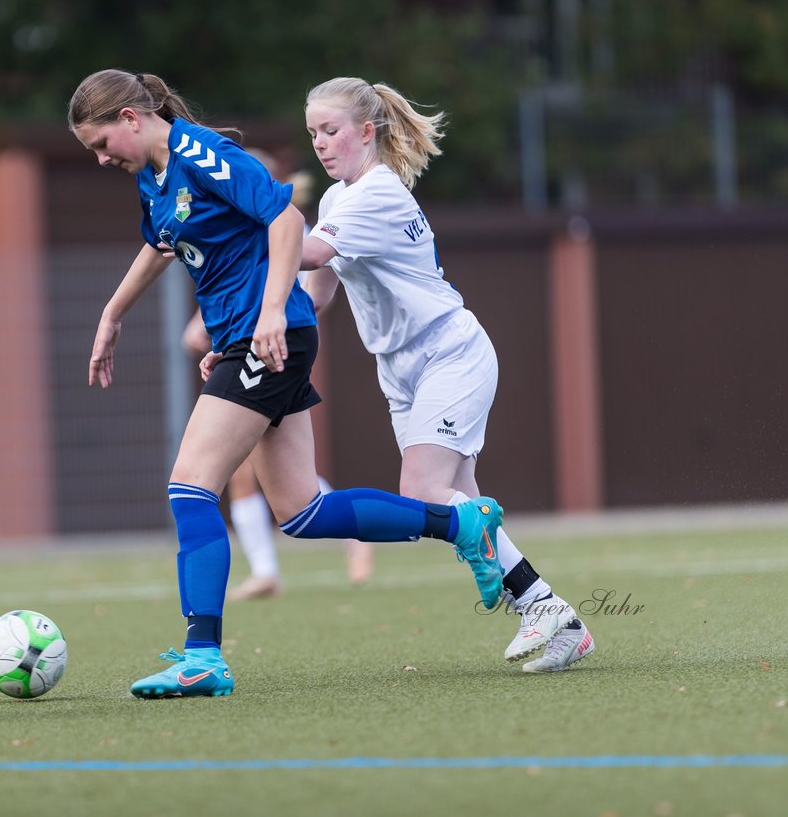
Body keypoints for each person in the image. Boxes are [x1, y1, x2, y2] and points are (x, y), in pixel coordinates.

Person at [68, 69, 505, 699]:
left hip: (267, 337)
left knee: (190, 486)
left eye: (102, 142)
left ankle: (202, 657)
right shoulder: (155, 176)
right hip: (252, 337)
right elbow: (160, 246)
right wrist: (112, 316)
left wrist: (270, 311)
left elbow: (285, 221)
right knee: (302, 512)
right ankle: (461, 525)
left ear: (131, 118)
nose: (103, 157)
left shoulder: (204, 153)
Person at [297, 77, 594, 673]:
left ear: (366, 131)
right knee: (462, 501)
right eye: (313, 135)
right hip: (402, 369)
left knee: (426, 496)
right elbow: (316, 292)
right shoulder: (335, 202)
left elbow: (306, 255)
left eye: (330, 131)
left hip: (448, 354)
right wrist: (261, 330)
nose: (321, 145)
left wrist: (238, 223)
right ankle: (552, 614)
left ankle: (546, 611)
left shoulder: (375, 192)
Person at [180, 151, 373, 600]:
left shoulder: (284, 224)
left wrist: (267, 322)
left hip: (275, 345)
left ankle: (346, 540)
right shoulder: (243, 222)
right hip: (252, 342)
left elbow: (304, 285)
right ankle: (268, 569)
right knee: (257, 476)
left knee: (260, 478)